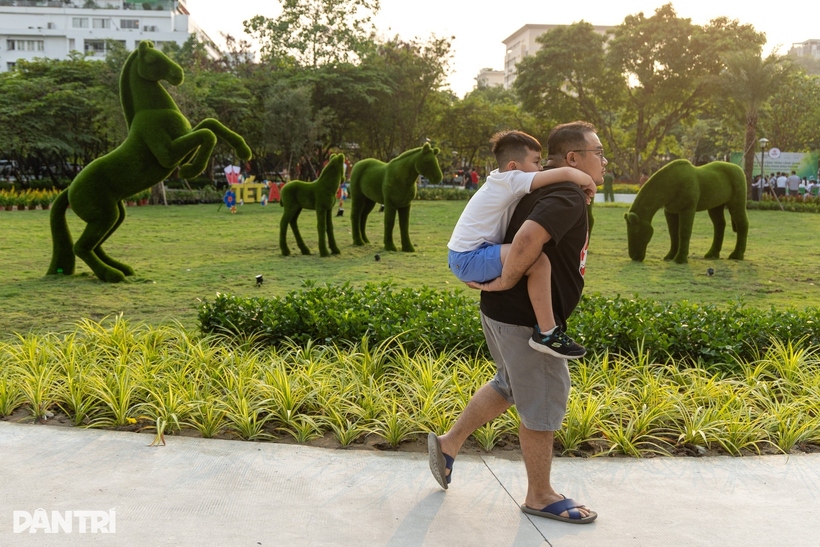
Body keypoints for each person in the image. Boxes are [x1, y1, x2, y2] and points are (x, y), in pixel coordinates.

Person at [429, 121, 605, 524]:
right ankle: (540, 495)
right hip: (526, 322)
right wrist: (506, 279)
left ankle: (448, 444)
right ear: (574, 159)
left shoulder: (547, 187)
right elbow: (527, 241)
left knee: (507, 385)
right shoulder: (564, 195)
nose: (605, 161)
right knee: (542, 402)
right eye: (599, 153)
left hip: (503, 313)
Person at [447, 130, 595, 358]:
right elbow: (565, 172)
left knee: (505, 387)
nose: (540, 169)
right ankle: (547, 333)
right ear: (514, 166)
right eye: (536, 162)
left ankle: (547, 331)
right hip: (469, 257)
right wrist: (586, 181)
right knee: (540, 263)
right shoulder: (512, 179)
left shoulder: (501, 178)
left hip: (464, 255)